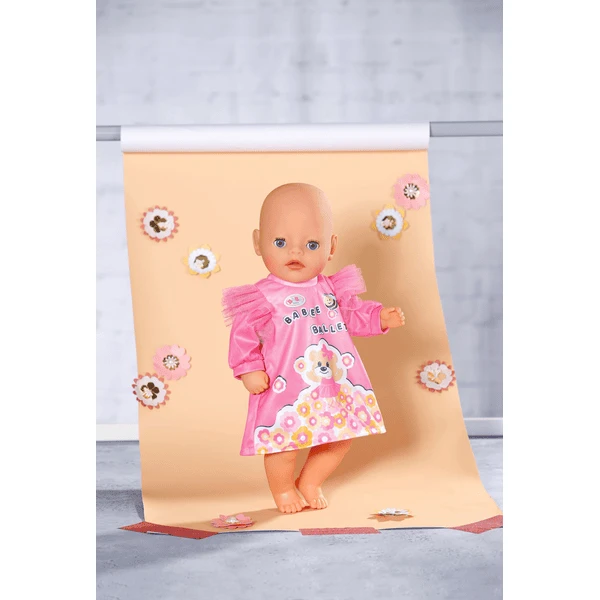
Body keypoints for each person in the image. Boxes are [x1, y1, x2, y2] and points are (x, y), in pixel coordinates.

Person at [222, 183, 405, 513]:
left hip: (333, 385)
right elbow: (243, 336)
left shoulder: (331, 290)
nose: (296, 253)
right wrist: (249, 368)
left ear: (331, 247)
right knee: (284, 446)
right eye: (280, 243)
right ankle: (283, 491)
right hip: (285, 388)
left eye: (311, 244)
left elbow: (352, 314)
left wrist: (378, 317)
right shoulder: (262, 297)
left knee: (340, 438)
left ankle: (309, 481)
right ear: (257, 242)